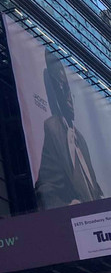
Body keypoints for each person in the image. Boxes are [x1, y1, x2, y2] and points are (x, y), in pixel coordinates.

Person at [35, 49, 103, 208]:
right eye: (61, 88)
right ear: (54, 91)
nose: (68, 98)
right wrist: (67, 207)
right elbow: (45, 186)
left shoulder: (81, 138)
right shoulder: (53, 127)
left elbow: (94, 187)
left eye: (68, 89)